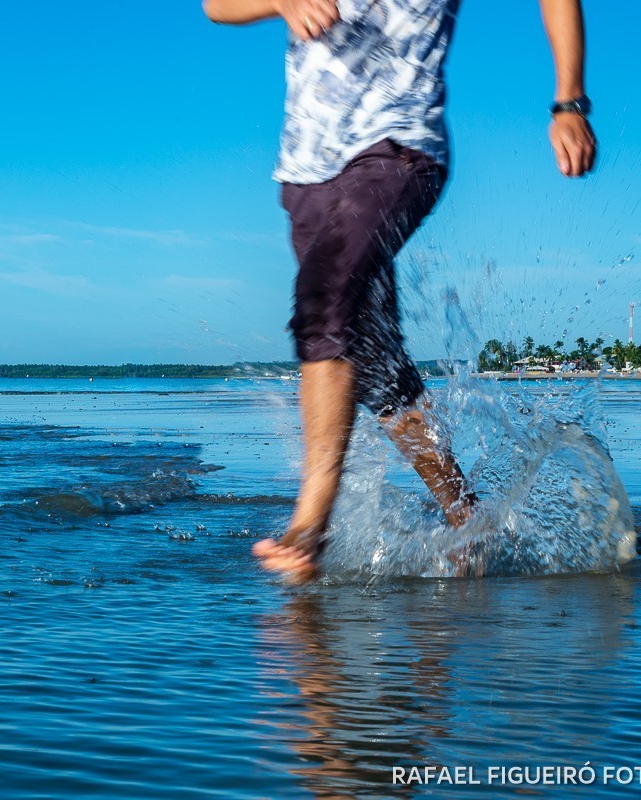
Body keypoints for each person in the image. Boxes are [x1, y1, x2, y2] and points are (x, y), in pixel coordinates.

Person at [203, 0, 596, 580]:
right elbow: (217, 5)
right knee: (373, 361)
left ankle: (311, 524)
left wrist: (569, 101)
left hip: (401, 144)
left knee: (323, 298)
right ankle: (467, 518)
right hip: (306, 164)